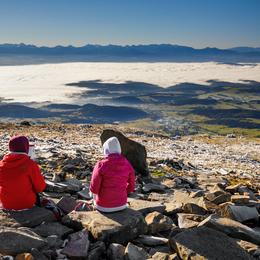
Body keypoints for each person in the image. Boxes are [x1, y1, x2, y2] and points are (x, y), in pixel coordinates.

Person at [90, 136, 135, 212]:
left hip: (103, 206)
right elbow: (132, 183)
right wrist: (126, 191)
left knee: (94, 194)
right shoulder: (126, 163)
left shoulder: (101, 164)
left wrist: (93, 194)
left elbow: (94, 186)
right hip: (122, 205)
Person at [0, 135, 46, 210]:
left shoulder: (1, 164)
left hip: (6, 204)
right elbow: (40, 187)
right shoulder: (30, 164)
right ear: (26, 147)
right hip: (26, 203)